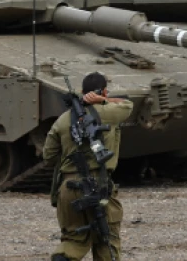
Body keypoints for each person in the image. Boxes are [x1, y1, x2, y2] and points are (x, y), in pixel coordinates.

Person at [43, 72, 133, 261]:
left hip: (68, 189)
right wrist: (103, 100)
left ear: (82, 92)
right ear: (104, 91)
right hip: (98, 186)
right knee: (106, 239)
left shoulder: (62, 120)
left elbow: (48, 156)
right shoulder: (109, 112)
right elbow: (128, 105)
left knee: (73, 240)